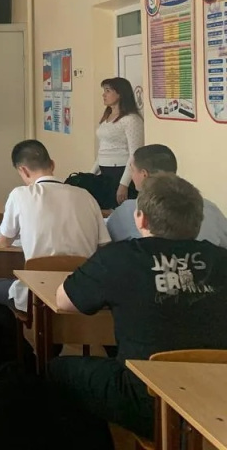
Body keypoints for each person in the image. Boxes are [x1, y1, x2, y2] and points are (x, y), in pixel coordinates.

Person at [51, 174, 227, 440]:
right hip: (216, 399)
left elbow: (64, 300)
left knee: (57, 369)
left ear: (141, 219)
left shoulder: (118, 258)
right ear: (198, 220)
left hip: (146, 400)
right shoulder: (222, 259)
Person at [0, 140, 110, 314]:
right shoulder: (86, 196)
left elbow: (4, 241)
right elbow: (103, 245)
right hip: (82, 295)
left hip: (37, 295)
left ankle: (13, 332)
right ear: (53, 165)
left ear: (23, 170)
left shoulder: (20, 195)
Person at [106, 144, 227, 246]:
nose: (131, 176)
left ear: (144, 174)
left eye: (132, 170)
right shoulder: (210, 209)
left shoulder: (128, 210)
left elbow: (107, 241)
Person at [92, 77, 144, 206]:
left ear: (120, 94)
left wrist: (124, 184)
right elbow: (103, 149)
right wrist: (91, 174)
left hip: (120, 172)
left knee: (118, 210)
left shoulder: (131, 119)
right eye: (104, 90)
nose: (104, 95)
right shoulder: (106, 118)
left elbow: (135, 154)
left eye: (108, 91)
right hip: (104, 172)